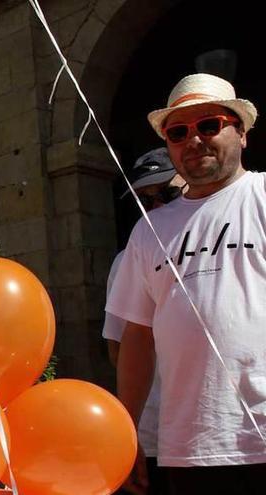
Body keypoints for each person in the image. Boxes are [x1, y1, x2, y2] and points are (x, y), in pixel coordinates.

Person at [108, 73, 266, 495]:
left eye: (209, 125)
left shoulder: (263, 196)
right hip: (189, 447)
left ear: (242, 133)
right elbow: (136, 336)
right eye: (179, 132)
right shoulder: (148, 231)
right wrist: (128, 433)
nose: (193, 140)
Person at [103, 147, 186, 495]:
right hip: (154, 434)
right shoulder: (128, 258)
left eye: (166, 194)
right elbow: (118, 349)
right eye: (144, 201)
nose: (156, 209)